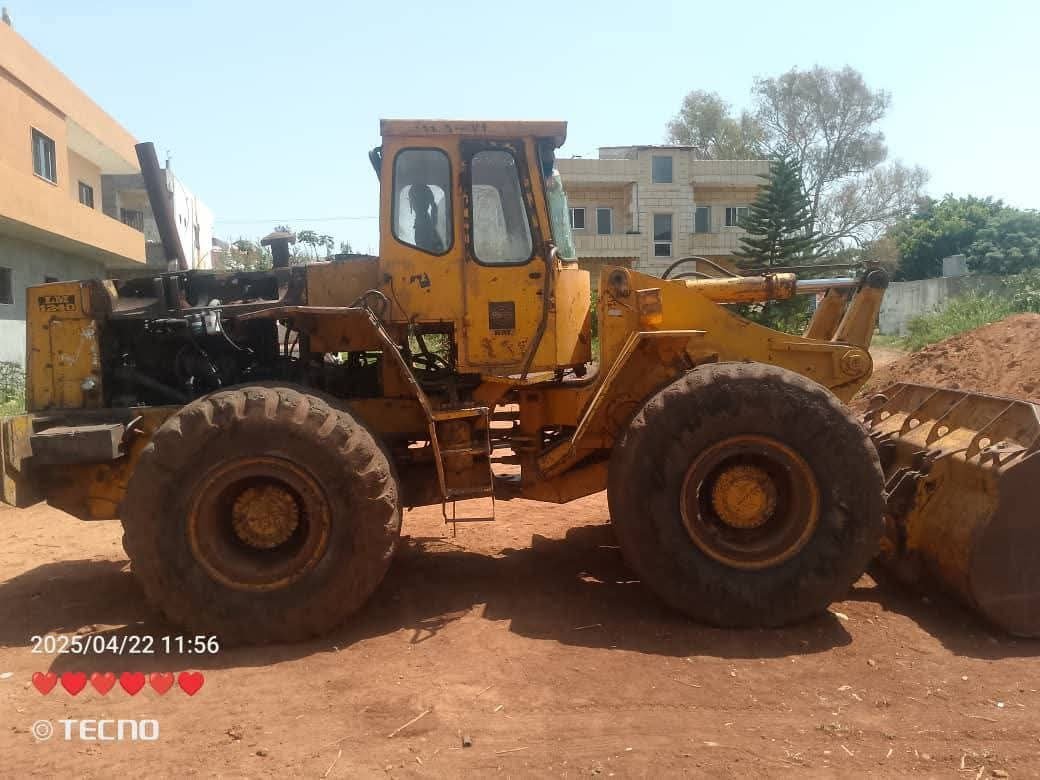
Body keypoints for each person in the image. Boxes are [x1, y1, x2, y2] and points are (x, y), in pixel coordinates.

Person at [409, 184, 444, 254]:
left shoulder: (424, 225)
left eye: (415, 200)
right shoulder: (429, 222)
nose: (414, 205)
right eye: (413, 200)